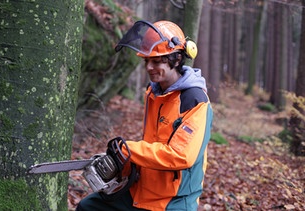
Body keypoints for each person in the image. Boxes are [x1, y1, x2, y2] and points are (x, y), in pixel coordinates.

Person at [76, 20, 213, 211]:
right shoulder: (153, 92)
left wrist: (129, 151)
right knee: (88, 207)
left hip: (173, 200)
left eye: (156, 61)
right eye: (146, 61)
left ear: (177, 59)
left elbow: (181, 156)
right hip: (141, 189)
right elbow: (152, 142)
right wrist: (124, 165)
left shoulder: (194, 100)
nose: (149, 67)